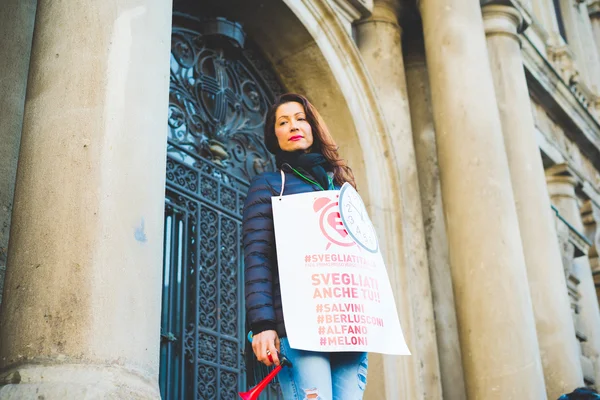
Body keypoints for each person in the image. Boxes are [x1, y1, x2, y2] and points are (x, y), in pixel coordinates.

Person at [242, 93, 368, 399]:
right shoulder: (269, 185)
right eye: (283, 122)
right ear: (275, 136)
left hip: (347, 327)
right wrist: (263, 325)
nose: (293, 126)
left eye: (300, 118)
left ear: (313, 126)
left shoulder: (341, 188)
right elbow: (257, 256)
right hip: (299, 328)